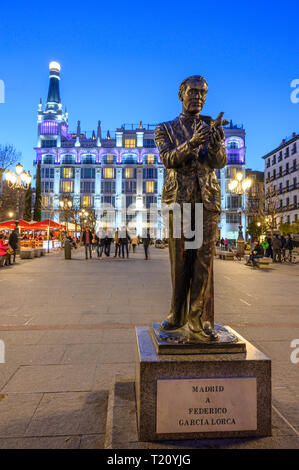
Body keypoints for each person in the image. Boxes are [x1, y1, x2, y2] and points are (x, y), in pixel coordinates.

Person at [155, 74, 227, 339]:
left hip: (206, 200)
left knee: (204, 261)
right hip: (179, 202)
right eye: (193, 91)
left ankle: (199, 319)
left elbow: (219, 162)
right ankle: (177, 314)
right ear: (181, 94)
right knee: (181, 261)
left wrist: (217, 143)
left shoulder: (210, 128)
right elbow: (168, 159)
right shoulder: (165, 128)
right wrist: (193, 142)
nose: (198, 96)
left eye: (203, 92)